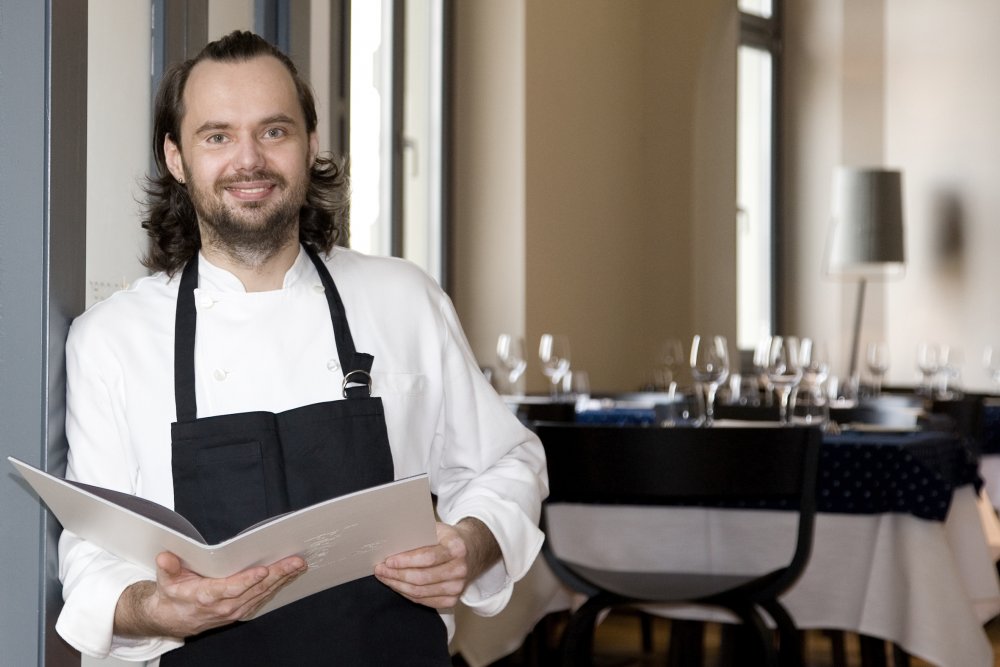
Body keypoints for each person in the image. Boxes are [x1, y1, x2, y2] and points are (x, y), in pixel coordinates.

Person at [56, 30, 547, 665]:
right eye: (217, 136)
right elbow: (91, 553)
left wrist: (471, 545)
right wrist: (154, 606)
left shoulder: (403, 298)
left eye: (274, 131)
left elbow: (507, 462)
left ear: (310, 144)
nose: (249, 160)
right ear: (176, 159)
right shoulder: (110, 340)